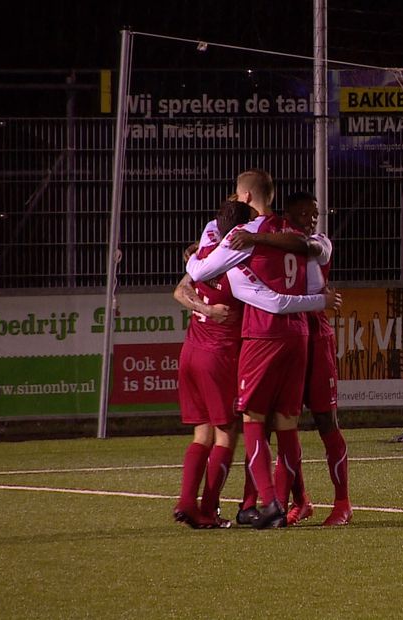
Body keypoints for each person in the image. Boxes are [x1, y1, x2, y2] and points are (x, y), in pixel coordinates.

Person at [186, 173, 340, 530]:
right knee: (287, 422)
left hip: (263, 336)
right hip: (300, 334)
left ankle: (268, 502)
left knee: (254, 421)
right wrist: (319, 299)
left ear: (244, 195)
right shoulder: (292, 232)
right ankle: (285, 502)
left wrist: (195, 261)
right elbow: (316, 261)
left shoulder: (244, 235)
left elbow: (205, 271)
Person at [231, 192, 352, 526]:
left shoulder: (318, 242)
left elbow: (308, 248)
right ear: (288, 215)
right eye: (303, 214)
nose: (311, 220)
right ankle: (291, 500)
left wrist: (257, 237)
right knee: (281, 422)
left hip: (317, 335)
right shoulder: (276, 240)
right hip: (290, 333)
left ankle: (342, 502)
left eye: (315, 215)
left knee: (326, 421)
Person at [170, 199, 253, 529]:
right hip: (218, 357)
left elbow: (179, 290)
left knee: (201, 434)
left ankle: (187, 503)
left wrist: (202, 309)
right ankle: (208, 507)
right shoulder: (238, 266)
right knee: (226, 434)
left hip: (190, 351)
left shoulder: (202, 257)